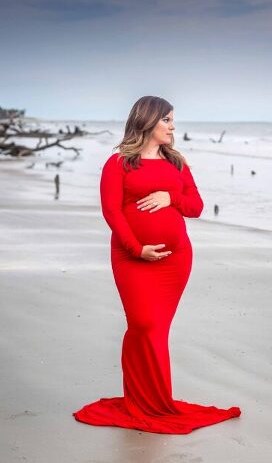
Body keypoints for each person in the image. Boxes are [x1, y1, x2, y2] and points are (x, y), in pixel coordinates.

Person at [72, 96, 241, 434]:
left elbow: (195, 206)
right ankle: (142, 400)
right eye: (166, 119)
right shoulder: (118, 163)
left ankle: (152, 400)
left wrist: (170, 197)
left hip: (176, 262)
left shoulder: (176, 163)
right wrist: (137, 249)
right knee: (143, 323)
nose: (172, 126)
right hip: (131, 258)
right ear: (147, 122)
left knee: (155, 330)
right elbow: (112, 212)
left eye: (172, 120)